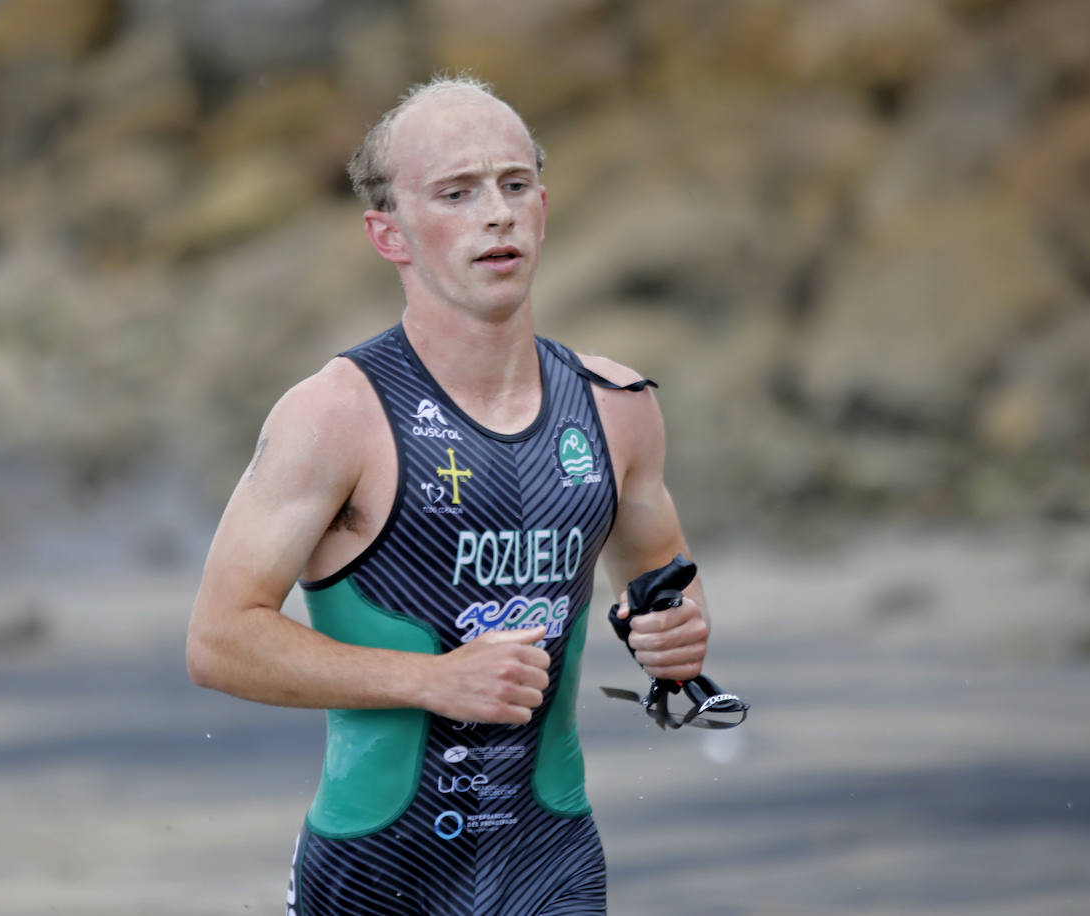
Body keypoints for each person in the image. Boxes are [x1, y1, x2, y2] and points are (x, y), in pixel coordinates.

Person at [186, 74, 712, 916]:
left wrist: (673, 639)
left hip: (553, 862)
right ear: (388, 234)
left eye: (512, 186)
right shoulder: (335, 415)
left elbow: (660, 581)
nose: (495, 214)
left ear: (542, 208)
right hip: (374, 874)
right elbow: (218, 640)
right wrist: (431, 680)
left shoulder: (617, 407)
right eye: (456, 193)